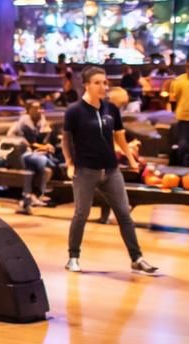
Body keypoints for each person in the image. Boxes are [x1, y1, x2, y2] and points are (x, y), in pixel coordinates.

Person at [61, 67, 158, 275]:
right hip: (85, 170)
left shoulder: (111, 110)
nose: (103, 86)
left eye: (104, 83)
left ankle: (137, 258)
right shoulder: (74, 111)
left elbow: (120, 136)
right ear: (87, 85)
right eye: (97, 83)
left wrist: (131, 159)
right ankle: (73, 257)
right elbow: (66, 140)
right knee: (81, 214)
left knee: (124, 214)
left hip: (111, 170)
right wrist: (69, 163)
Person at [9, 100, 57, 214]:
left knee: (46, 168)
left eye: (39, 107)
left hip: (33, 152)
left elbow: (44, 140)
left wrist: (47, 145)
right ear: (28, 110)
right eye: (35, 108)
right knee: (43, 160)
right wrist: (44, 147)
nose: (38, 110)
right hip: (19, 154)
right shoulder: (24, 123)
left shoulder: (41, 121)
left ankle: (33, 196)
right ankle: (33, 196)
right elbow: (29, 143)